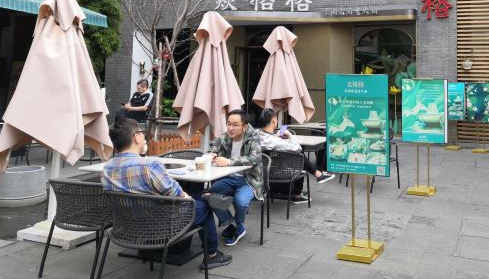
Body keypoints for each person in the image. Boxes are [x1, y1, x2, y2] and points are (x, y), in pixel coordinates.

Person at [101, 117, 232, 271]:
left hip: (126, 227)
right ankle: (212, 255)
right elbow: (176, 193)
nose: (144, 137)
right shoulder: (149, 164)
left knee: (197, 199)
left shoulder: (107, 168)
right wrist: (189, 199)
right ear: (136, 137)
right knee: (203, 206)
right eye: (142, 133)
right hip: (161, 227)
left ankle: (204, 198)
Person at [207, 110, 263, 247]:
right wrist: (212, 155)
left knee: (240, 202)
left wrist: (229, 162)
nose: (230, 128)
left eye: (235, 125)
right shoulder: (225, 136)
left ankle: (238, 226)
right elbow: (213, 149)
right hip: (229, 178)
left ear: (244, 126)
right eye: (229, 124)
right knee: (208, 196)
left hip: (249, 180)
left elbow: (254, 158)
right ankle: (232, 225)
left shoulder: (253, 137)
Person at [255, 108, 334, 204]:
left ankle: (317, 174)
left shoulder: (256, 135)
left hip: (262, 171)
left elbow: (268, 142)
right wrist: (289, 135)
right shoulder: (275, 141)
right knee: (299, 156)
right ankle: (298, 194)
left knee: (297, 156)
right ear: (274, 120)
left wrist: (275, 137)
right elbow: (298, 148)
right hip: (279, 172)